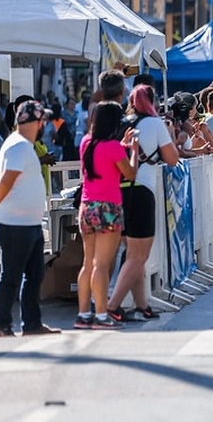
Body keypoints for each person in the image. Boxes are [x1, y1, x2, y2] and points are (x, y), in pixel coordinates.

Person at [106, 85, 180, 323]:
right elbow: (172, 159)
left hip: (117, 191)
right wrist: (168, 134)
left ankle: (142, 305)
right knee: (139, 255)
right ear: (153, 102)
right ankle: (112, 305)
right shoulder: (154, 124)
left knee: (134, 253)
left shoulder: (120, 123)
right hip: (141, 190)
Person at [0, 101, 61, 337]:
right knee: (11, 276)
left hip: (27, 223)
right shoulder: (19, 147)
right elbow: (4, 183)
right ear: (36, 122)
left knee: (34, 275)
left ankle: (31, 324)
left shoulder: (23, 145)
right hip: (14, 224)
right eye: (43, 121)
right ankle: (1, 325)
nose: (45, 125)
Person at [75, 102, 139, 330]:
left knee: (88, 264)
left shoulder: (86, 143)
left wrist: (120, 147)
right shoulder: (114, 147)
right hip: (109, 208)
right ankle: (101, 316)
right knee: (102, 265)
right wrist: (134, 150)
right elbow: (130, 174)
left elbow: (103, 159)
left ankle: (83, 315)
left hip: (87, 206)